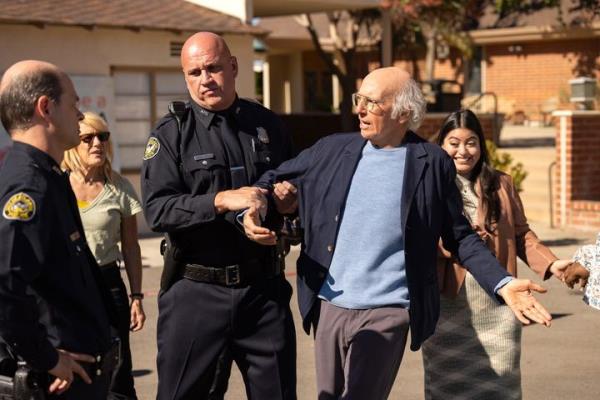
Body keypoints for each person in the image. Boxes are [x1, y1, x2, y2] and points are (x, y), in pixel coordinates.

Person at [243, 67, 553, 400]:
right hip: (330, 303)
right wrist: (257, 202)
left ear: (403, 113)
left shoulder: (432, 163)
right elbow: (274, 176)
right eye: (358, 99)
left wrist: (503, 283)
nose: (359, 110)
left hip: (388, 308)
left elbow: (459, 236)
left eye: (372, 102)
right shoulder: (331, 149)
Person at [141, 32, 296, 400]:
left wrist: (289, 206)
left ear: (234, 67)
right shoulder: (172, 134)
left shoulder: (267, 125)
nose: (205, 79)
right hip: (196, 293)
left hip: (263, 291)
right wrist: (220, 200)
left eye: (212, 68)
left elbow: (293, 189)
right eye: (194, 72)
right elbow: (157, 210)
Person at [420, 109, 587, 399]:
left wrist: (553, 263)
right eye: (454, 142)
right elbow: (418, 237)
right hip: (447, 307)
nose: (463, 151)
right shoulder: (428, 186)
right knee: (447, 389)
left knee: (501, 385)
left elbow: (521, 234)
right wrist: (456, 241)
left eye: (471, 142)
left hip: (500, 303)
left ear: (481, 145)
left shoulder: (501, 183)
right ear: (441, 145)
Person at [0, 60, 118, 399]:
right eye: (74, 104)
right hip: (60, 384)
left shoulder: (49, 176)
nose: (80, 116)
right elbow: (5, 284)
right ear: (46, 108)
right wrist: (47, 357)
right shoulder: (29, 187)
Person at [62, 111, 145, 400]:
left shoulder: (119, 187)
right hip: (67, 286)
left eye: (103, 137)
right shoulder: (57, 185)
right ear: (74, 143)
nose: (97, 143)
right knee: (74, 362)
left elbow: (131, 247)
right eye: (88, 138)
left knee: (118, 369)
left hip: (108, 284)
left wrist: (137, 296)